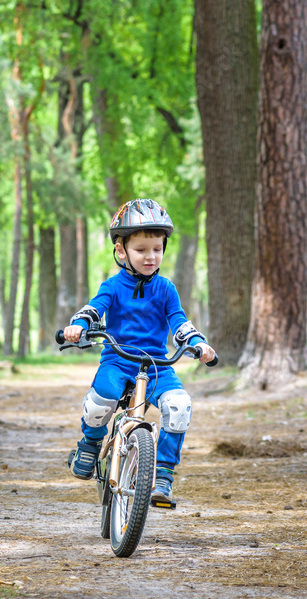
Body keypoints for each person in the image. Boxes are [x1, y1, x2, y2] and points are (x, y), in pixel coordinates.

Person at [62, 198, 216, 508]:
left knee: (179, 407)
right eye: (141, 250)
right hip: (118, 361)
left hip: (157, 365)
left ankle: (162, 475)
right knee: (101, 399)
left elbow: (179, 321)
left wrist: (198, 344)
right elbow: (94, 308)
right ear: (121, 251)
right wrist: (78, 325)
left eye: (157, 249)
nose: (150, 256)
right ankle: (90, 443)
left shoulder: (166, 289)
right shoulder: (113, 285)